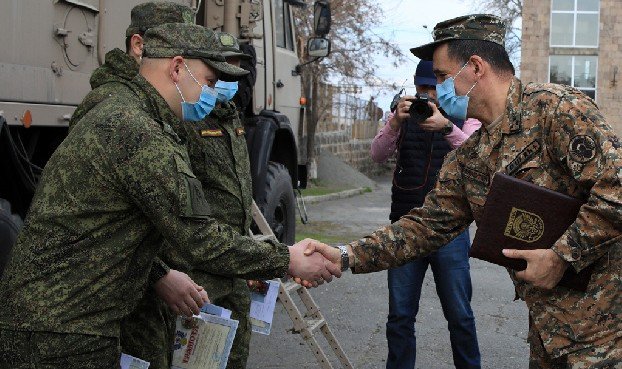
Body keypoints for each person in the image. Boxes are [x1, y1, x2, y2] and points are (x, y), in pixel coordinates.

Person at [0, 23, 336, 369]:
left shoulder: (122, 111)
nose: (212, 91)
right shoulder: (137, 131)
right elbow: (200, 238)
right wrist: (287, 259)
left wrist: (160, 272)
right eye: (208, 81)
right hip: (65, 331)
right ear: (177, 68)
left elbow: (107, 229)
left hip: (52, 321)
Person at [305, 14, 621, 368]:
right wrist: (345, 255)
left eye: (441, 76)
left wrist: (562, 256)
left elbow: (617, 187)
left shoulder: (555, 110)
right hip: (550, 339)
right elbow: (425, 226)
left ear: (475, 67)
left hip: (607, 336)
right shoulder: (470, 156)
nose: (437, 89)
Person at [120, 30, 269, 369]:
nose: (227, 79)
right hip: (195, 265)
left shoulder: (231, 116)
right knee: (191, 356)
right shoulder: (183, 117)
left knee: (232, 352)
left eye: (235, 67)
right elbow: (172, 207)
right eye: (218, 72)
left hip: (231, 257)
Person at [371, 59, 481, 369]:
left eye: (433, 87)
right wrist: (394, 123)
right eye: (422, 88)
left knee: (460, 315)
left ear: (446, 85)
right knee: (400, 315)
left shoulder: (464, 115)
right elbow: (377, 155)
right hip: (406, 226)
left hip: (450, 229)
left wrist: (446, 128)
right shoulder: (401, 116)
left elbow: (478, 156)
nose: (428, 95)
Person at [69, 1, 196, 128]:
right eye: (173, 48)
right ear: (138, 45)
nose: (182, 61)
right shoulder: (112, 105)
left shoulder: (157, 96)